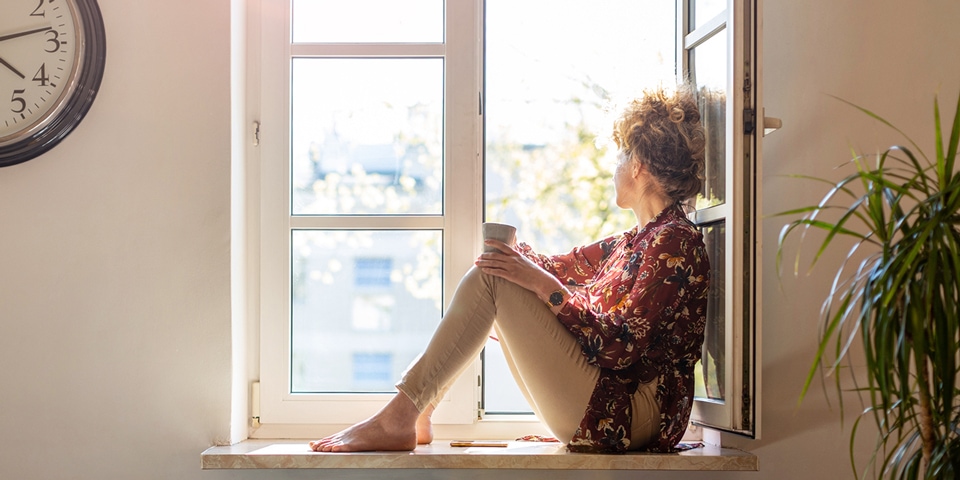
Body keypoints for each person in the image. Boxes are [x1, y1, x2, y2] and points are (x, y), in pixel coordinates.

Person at [310, 84, 711, 454]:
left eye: (619, 156)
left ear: (638, 164)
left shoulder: (673, 241)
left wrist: (537, 283)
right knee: (497, 276)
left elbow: (619, 347)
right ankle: (417, 412)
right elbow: (554, 266)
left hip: (631, 414)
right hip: (610, 404)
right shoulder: (634, 241)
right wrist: (508, 257)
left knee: (494, 279)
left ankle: (402, 415)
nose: (614, 168)